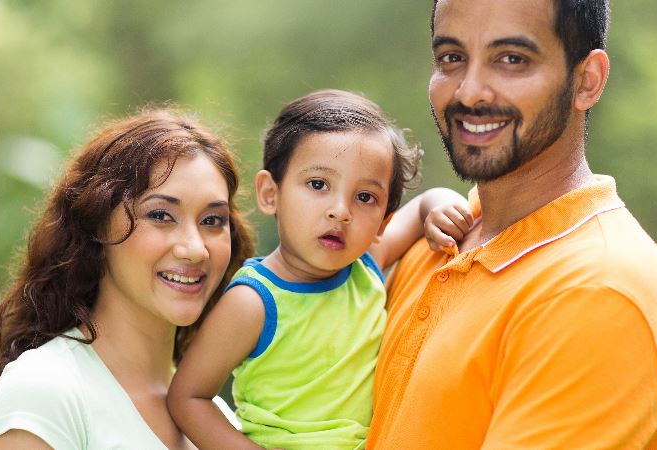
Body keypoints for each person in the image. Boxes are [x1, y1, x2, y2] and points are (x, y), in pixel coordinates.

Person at [366, 0, 657, 448]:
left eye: (512, 59)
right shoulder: (437, 241)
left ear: (586, 81)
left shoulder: (600, 290)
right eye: (451, 58)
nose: (470, 91)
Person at [167, 89, 470, 449]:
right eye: (318, 184)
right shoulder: (254, 301)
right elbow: (188, 398)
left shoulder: (366, 265)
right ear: (270, 193)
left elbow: (424, 206)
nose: (341, 211)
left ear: (383, 221)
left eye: (364, 197)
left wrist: (443, 205)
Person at [0, 108, 255, 449]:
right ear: (96, 225)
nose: (195, 249)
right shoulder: (45, 394)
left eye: (212, 220)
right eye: (161, 215)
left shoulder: (217, 418)